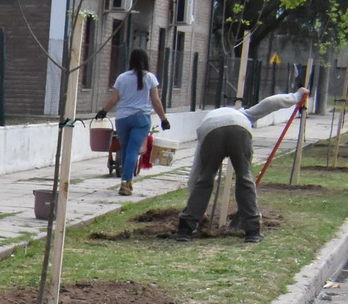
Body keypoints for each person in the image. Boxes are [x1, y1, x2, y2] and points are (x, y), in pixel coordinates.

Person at [174, 87, 305, 244]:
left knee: (205, 178)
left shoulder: (209, 119)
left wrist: (193, 199)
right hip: (240, 128)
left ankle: (185, 230)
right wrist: (296, 96)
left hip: (210, 131)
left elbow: (196, 174)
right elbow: (270, 103)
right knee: (244, 177)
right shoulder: (244, 114)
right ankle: (252, 231)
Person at [96, 49, 171, 197]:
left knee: (125, 149)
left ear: (130, 60)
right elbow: (156, 101)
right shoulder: (150, 78)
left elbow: (114, 99)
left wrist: (103, 111)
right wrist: (164, 119)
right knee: (132, 150)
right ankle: (126, 183)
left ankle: (127, 180)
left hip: (122, 119)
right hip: (141, 119)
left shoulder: (122, 78)